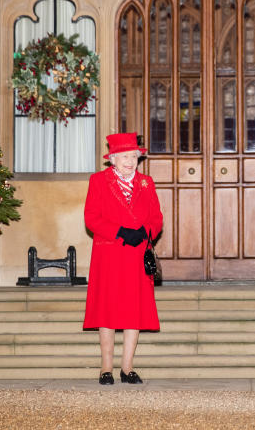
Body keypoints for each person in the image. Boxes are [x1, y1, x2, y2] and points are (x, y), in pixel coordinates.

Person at [83, 132, 163, 385]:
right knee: (107, 310)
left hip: (137, 254)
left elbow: (157, 218)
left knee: (133, 311)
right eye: (125, 156)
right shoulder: (98, 181)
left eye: (134, 157)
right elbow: (91, 218)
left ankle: (127, 368)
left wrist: (145, 232)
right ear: (113, 159)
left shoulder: (146, 183)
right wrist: (119, 231)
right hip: (109, 254)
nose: (130, 161)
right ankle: (106, 368)